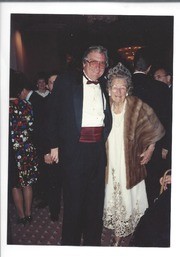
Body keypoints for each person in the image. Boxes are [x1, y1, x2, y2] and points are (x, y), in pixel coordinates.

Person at [47, 45, 112, 245]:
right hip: (74, 151)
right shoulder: (67, 81)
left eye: (102, 63)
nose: (98, 67)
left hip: (97, 151)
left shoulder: (104, 84)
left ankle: (92, 244)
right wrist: (54, 145)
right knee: (74, 204)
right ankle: (71, 245)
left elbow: (106, 118)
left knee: (94, 204)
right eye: (94, 62)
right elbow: (52, 113)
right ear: (84, 63)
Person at [103, 62, 165, 246]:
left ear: (128, 89)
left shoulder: (136, 105)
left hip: (130, 162)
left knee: (129, 197)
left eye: (123, 87)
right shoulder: (104, 106)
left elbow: (154, 126)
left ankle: (124, 235)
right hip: (110, 161)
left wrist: (150, 149)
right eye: (115, 87)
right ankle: (118, 231)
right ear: (109, 88)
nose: (119, 91)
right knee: (113, 194)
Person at [132, 47, 171, 206]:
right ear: (149, 68)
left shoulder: (122, 86)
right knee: (152, 185)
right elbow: (168, 119)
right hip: (154, 145)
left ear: (133, 65)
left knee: (131, 183)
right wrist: (165, 147)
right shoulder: (160, 88)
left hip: (129, 144)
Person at [9, 76, 39, 225]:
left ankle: (21, 217)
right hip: (27, 149)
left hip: (12, 152)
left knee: (15, 185)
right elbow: (32, 127)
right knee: (27, 183)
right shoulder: (27, 105)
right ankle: (28, 214)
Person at [41, 72, 62, 221]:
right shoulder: (44, 103)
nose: (54, 84)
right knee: (54, 184)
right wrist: (46, 152)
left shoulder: (69, 100)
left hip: (68, 151)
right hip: (52, 151)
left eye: (57, 81)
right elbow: (41, 131)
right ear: (48, 86)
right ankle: (54, 213)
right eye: (51, 82)